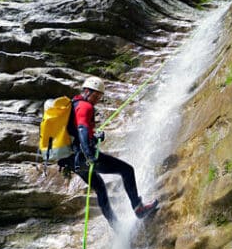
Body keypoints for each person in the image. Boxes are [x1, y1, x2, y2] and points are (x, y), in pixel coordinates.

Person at [58, 76, 158, 229]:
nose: (97, 99)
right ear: (86, 91)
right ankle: (139, 208)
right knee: (127, 170)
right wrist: (89, 155)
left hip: (73, 161)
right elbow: (82, 129)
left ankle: (116, 227)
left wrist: (94, 137)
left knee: (100, 188)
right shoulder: (85, 107)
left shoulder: (74, 105)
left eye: (99, 96)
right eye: (95, 95)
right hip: (84, 157)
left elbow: (77, 132)